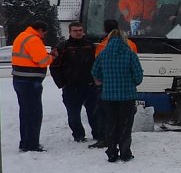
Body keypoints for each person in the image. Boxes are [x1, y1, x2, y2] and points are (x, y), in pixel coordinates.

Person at [91, 28, 144, 163]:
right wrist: (130, 82)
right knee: (125, 126)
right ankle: (125, 153)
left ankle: (112, 153)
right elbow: (138, 76)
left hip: (108, 96)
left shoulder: (103, 54)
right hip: (127, 96)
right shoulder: (130, 54)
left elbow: (95, 72)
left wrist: (105, 81)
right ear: (124, 38)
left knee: (110, 124)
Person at [50, 21, 101, 142]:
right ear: (70, 32)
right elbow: (54, 66)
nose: (78, 33)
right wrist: (61, 83)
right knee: (73, 115)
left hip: (89, 86)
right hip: (71, 87)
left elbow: (98, 64)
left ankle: (98, 134)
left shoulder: (91, 46)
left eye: (80, 30)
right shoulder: (62, 47)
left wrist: (97, 81)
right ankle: (78, 135)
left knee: (94, 113)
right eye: (75, 30)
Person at [11, 20, 55, 152]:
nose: (44, 36)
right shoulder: (34, 40)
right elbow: (41, 61)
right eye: (44, 33)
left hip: (19, 79)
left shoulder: (21, 36)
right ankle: (31, 144)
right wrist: (52, 57)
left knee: (25, 113)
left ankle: (25, 142)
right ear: (40, 30)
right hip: (30, 81)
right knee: (34, 114)